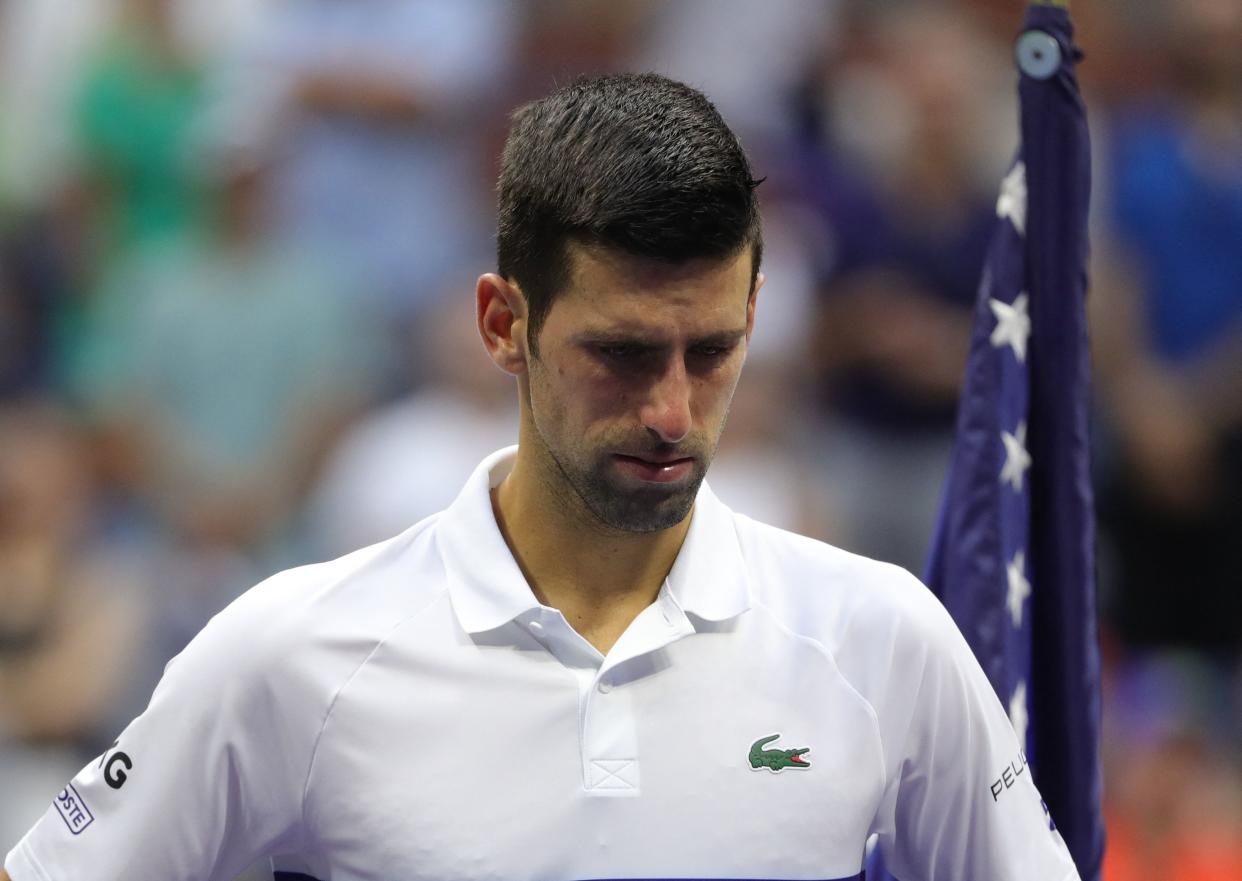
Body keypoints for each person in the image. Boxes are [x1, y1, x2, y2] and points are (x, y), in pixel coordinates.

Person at [3, 73, 1080, 881]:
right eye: (620, 353)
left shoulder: (886, 637)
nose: (672, 410)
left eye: (712, 352)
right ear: (502, 323)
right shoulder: (287, 653)